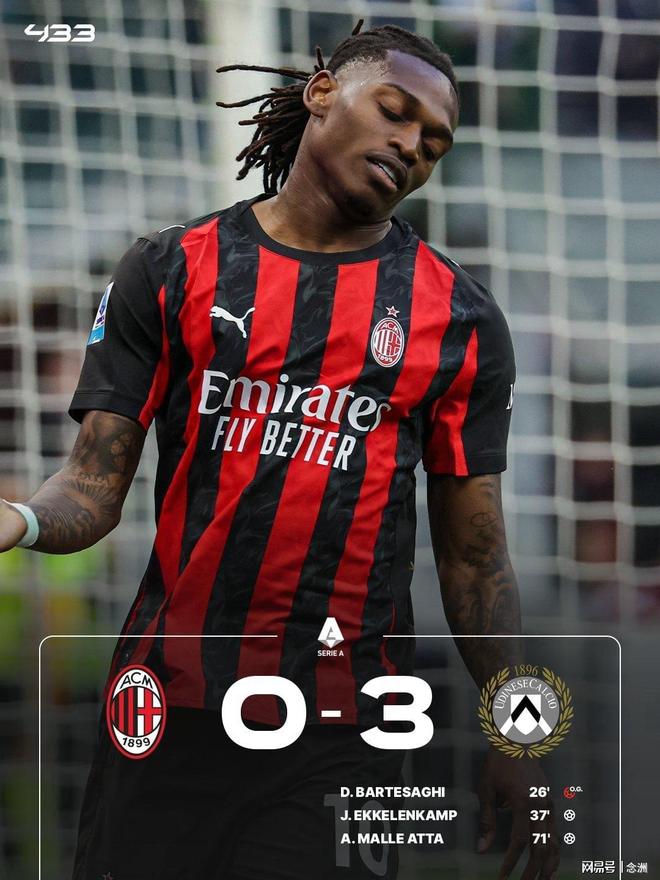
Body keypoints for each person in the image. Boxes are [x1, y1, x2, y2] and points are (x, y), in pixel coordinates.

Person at [0, 21, 559, 880]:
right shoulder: (170, 269)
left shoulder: (460, 319)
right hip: (167, 710)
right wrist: (20, 519)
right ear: (323, 91)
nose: (412, 145)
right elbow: (91, 485)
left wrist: (521, 735)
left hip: (345, 726)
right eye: (395, 110)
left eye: (434, 142)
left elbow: (476, 559)